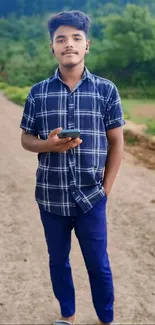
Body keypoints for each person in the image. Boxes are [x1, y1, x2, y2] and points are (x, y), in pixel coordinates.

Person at [20, 10, 125, 325]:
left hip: (91, 196)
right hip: (50, 196)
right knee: (58, 261)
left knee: (98, 263)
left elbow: (117, 143)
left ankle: (106, 318)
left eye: (76, 38)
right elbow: (26, 138)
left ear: (87, 45)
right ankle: (68, 315)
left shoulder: (106, 91)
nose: (69, 44)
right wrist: (46, 145)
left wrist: (105, 189)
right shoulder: (39, 93)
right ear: (52, 47)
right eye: (61, 39)